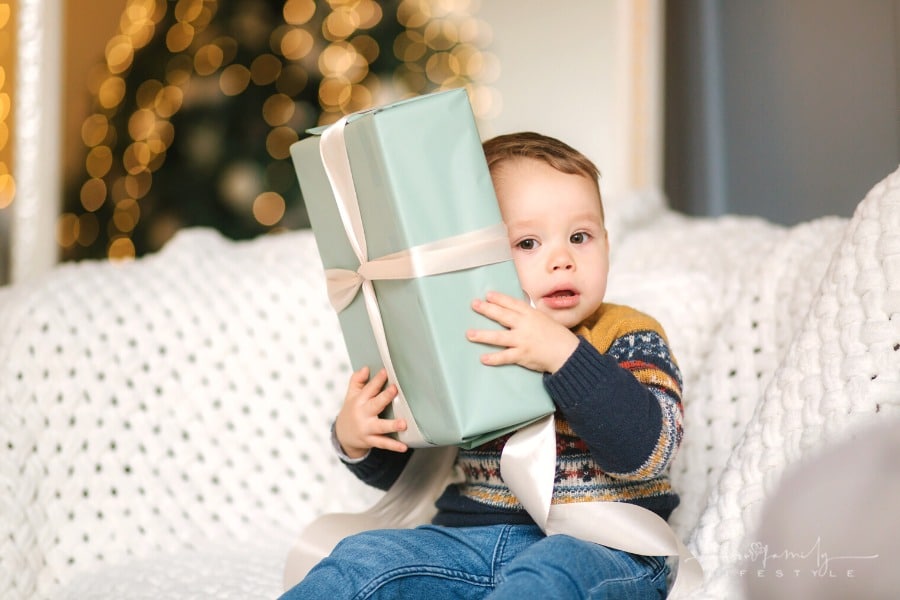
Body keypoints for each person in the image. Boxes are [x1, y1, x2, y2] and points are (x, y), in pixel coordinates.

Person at [280, 132, 684, 599]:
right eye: (528, 242)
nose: (562, 260)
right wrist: (360, 437)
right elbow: (415, 471)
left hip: (605, 545)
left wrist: (563, 356)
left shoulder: (629, 333)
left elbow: (649, 450)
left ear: (607, 245)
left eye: (580, 237)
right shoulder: (467, 338)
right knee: (362, 558)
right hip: (468, 540)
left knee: (551, 574)